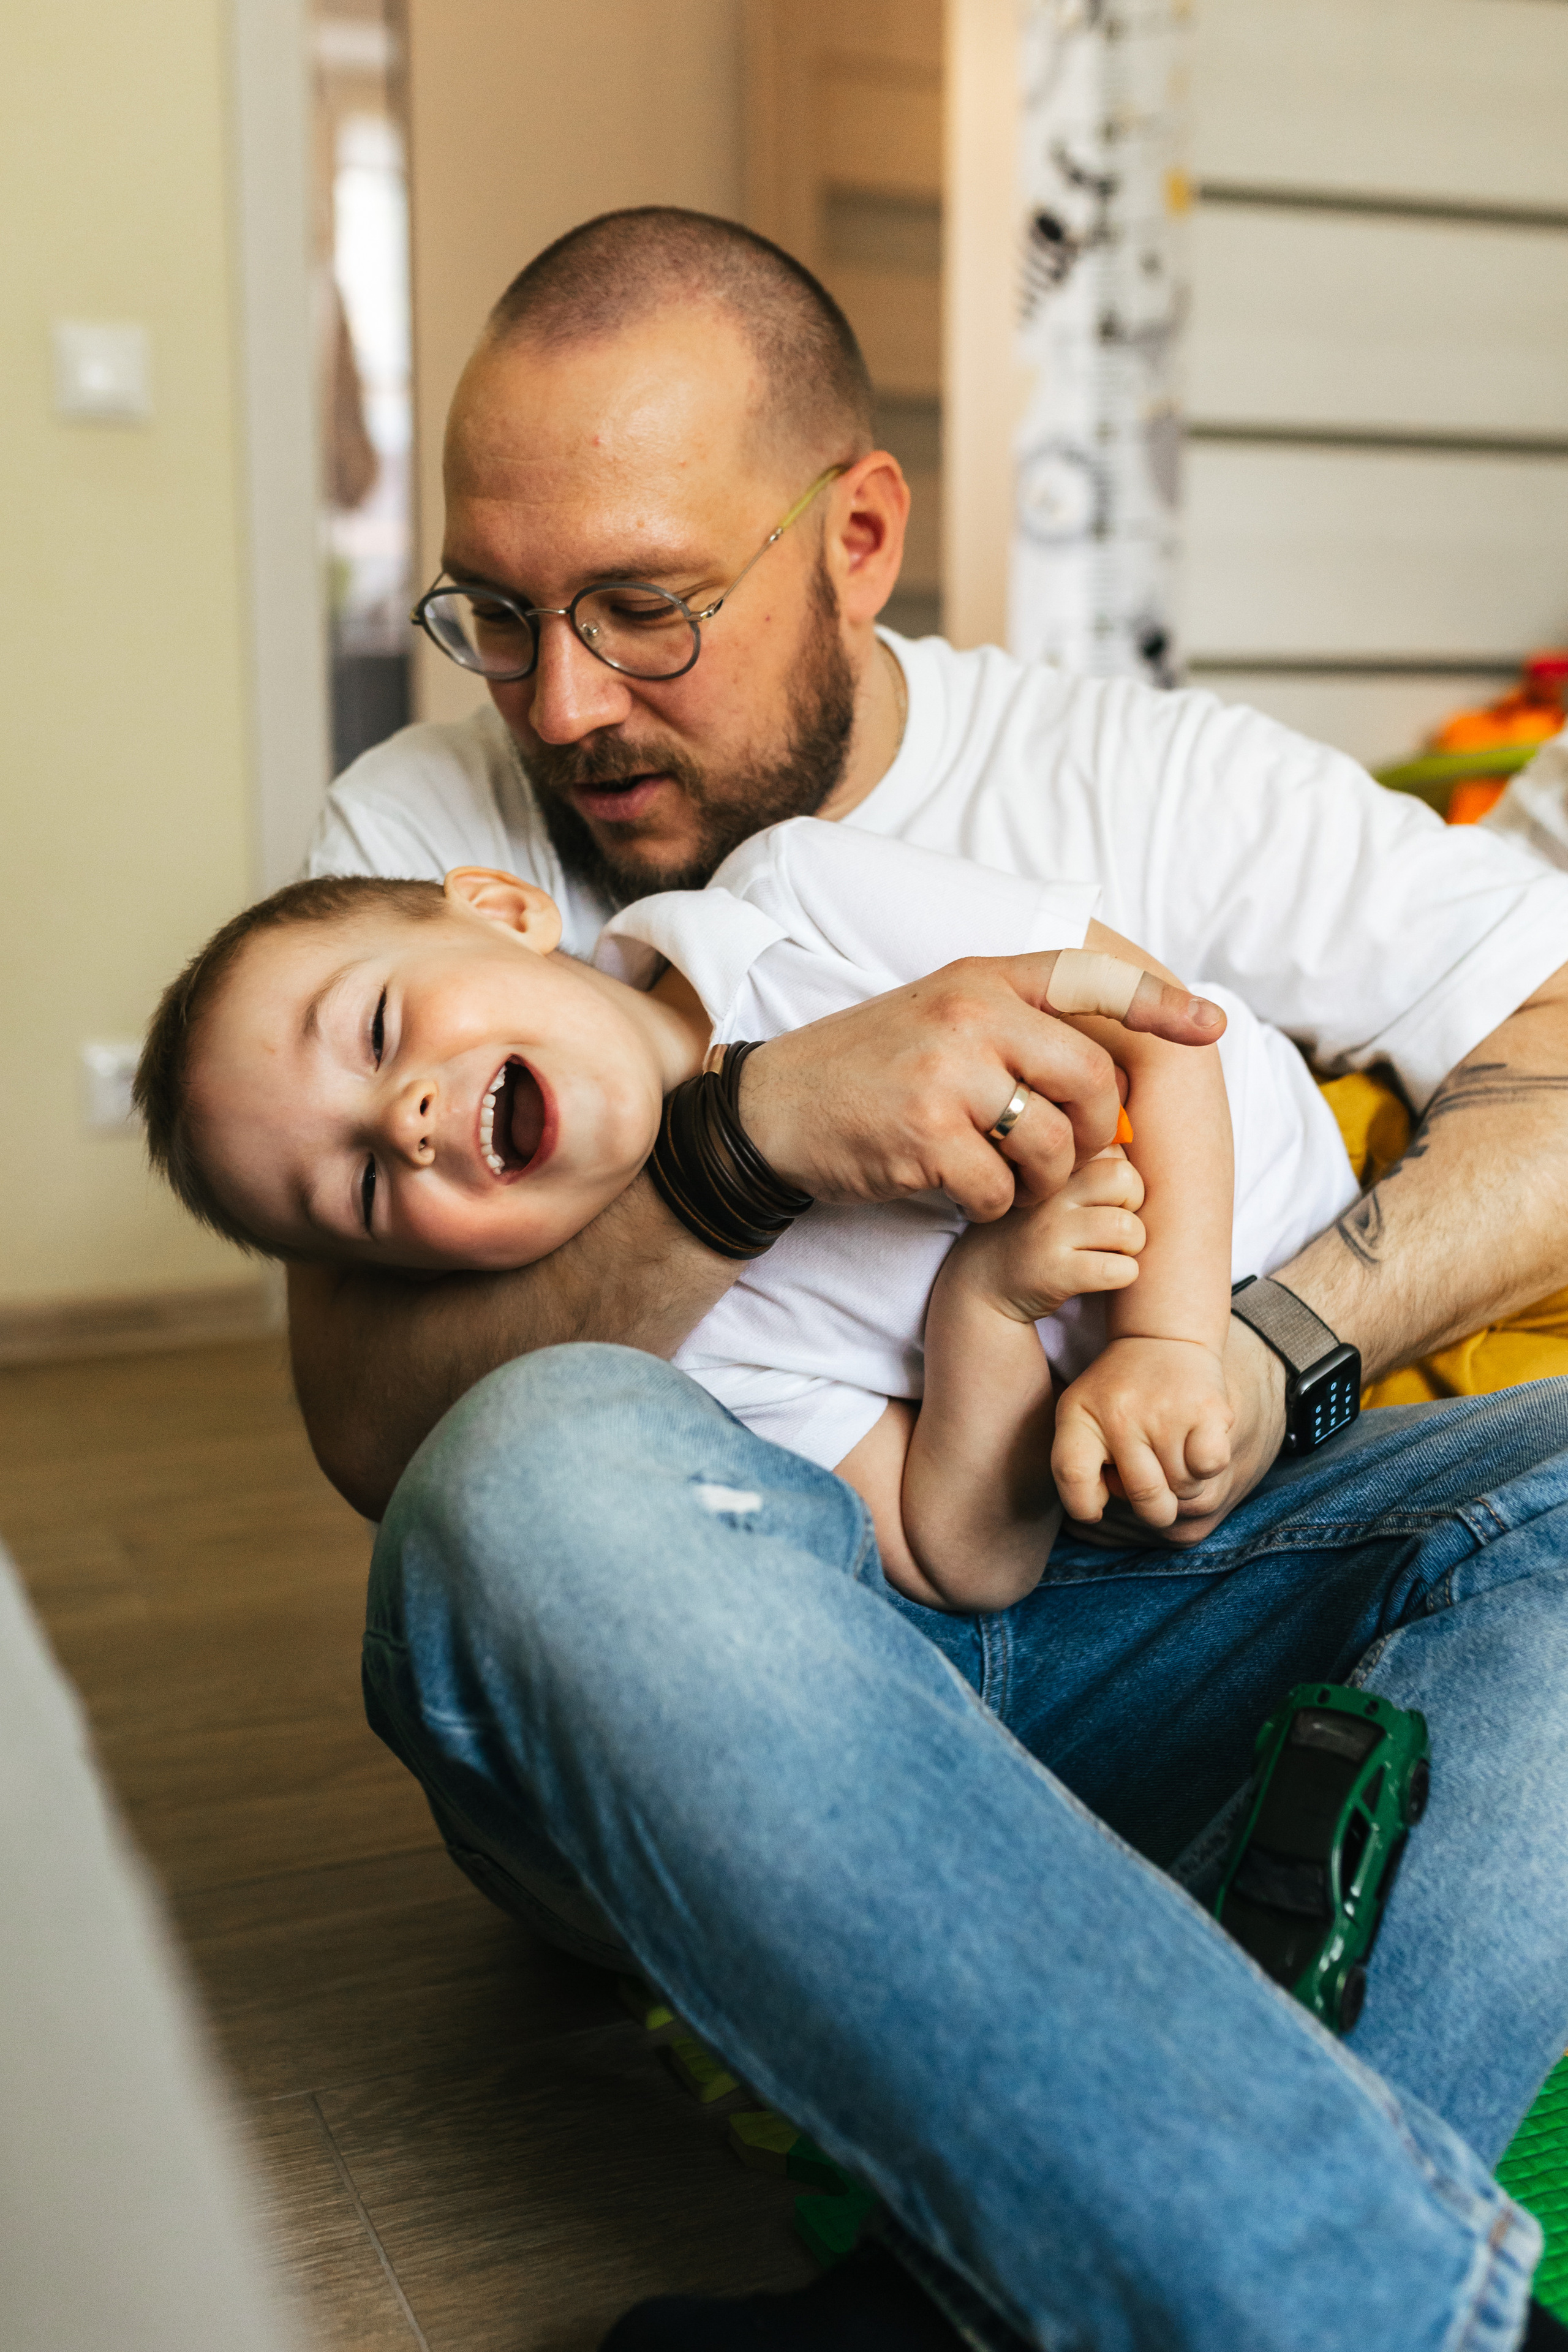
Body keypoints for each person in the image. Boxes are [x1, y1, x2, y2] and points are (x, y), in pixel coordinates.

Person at [287, 206, 1568, 2348]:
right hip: (710, 1686)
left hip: (1153, 1606)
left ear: (857, 537)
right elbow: (368, 1421)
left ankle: (993, 2293)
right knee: (524, 1467)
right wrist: (747, 1134)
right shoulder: (426, 850)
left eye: (645, 608)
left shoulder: (1136, 780)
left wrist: (1262, 1351)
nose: (564, 702)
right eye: (495, 618)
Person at [137, 818, 1363, 1601]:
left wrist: (1166, 1340)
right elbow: (965, 1558)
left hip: (1284, 1196)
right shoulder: (684, 1355)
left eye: (378, 1029)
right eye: (358, 1187)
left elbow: (1162, 1024)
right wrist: (983, 1305)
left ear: (504, 912)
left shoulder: (793, 900)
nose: (401, 1120)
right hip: (1191, 1496)